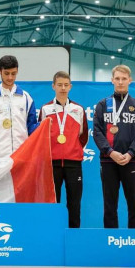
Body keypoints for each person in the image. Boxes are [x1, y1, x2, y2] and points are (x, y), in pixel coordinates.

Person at [93, 65, 135, 228]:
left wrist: (131, 153)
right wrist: (109, 152)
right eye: (117, 78)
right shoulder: (103, 104)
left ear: (130, 80)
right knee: (110, 205)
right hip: (109, 161)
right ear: (112, 80)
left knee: (134, 204)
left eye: (124, 79)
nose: (121, 82)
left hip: (132, 161)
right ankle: (111, 239)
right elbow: (97, 131)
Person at [39, 71, 88, 228]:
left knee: (74, 202)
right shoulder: (46, 109)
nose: (63, 88)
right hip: (52, 163)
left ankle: (74, 235)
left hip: (73, 163)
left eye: (66, 85)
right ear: (53, 86)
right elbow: (40, 136)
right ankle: (53, 232)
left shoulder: (78, 109)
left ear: (71, 87)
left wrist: (73, 149)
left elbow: (84, 136)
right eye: (59, 85)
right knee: (53, 202)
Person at [0, 55, 38, 163]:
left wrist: (44, 125)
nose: (10, 77)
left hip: (22, 157)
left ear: (17, 72)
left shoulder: (26, 98)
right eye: (6, 73)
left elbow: (32, 128)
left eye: (13, 73)